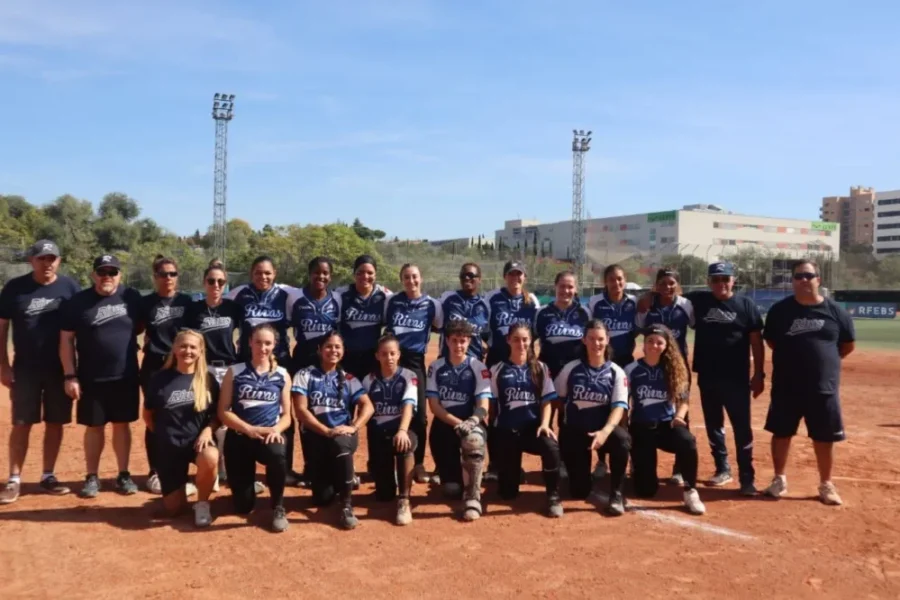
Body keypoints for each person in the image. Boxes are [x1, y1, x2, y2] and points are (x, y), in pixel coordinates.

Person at [762, 259, 855, 506]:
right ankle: (779, 479)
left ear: (818, 279)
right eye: (798, 276)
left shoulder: (836, 312)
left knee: (824, 437)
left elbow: (847, 345)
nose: (803, 280)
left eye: (808, 275)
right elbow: (771, 341)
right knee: (781, 433)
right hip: (786, 385)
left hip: (823, 387)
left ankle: (826, 484)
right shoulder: (780, 311)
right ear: (793, 281)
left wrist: (822, 363)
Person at [0, 240, 80, 504]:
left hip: (59, 369)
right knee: (22, 423)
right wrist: (3, 364)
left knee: (55, 422)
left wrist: (75, 372)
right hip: (25, 368)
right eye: (42, 258)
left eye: (52, 258)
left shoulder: (69, 287)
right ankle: (14, 479)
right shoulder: (15, 288)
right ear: (31, 260)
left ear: (58, 261)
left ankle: (48, 475)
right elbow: (2, 329)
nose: (47, 263)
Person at [59, 255, 143, 498]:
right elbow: (66, 339)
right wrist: (69, 375)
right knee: (94, 427)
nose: (107, 276)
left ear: (120, 274)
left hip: (125, 375)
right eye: (102, 271)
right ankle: (92, 476)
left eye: (112, 272)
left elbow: (140, 326)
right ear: (94, 274)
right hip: (91, 377)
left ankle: (123, 474)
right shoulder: (79, 301)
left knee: (122, 425)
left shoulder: (131, 297)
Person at [685, 262, 765, 495]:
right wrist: (650, 295)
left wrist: (759, 374)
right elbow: (671, 292)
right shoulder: (699, 300)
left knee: (742, 428)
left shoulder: (745, 305)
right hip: (708, 376)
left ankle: (747, 477)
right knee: (714, 425)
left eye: (725, 279)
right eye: (716, 279)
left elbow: (756, 342)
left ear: (733, 280)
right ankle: (722, 468)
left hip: (737, 378)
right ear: (709, 281)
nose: (721, 283)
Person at [226, 255, 301, 486]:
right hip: (246, 364)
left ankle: (283, 468)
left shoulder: (285, 294)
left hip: (279, 364)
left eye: (267, 272)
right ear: (251, 273)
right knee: (245, 408)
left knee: (283, 413)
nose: (263, 277)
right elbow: (218, 301)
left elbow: (313, 293)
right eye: (258, 272)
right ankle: (240, 467)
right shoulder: (239, 294)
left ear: (275, 273)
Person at [292, 331, 374, 530]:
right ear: (320, 350)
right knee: (322, 498)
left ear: (343, 352)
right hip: (316, 436)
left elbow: (368, 406)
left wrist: (353, 427)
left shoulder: (349, 378)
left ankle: (346, 505)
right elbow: (301, 410)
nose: (333, 351)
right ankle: (344, 476)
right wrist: (325, 431)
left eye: (338, 347)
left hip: (341, 435)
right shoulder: (305, 374)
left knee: (340, 444)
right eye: (328, 346)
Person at [217, 324, 291, 532]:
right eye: (258, 342)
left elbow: (287, 416)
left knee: (278, 454)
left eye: (267, 343)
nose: (262, 347)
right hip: (240, 437)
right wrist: (248, 429)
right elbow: (223, 411)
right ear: (249, 342)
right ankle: (248, 488)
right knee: (243, 506)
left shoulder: (282, 375)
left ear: (274, 345)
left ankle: (278, 506)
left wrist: (276, 430)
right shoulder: (235, 371)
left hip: (268, 436)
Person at [552, 320, 631, 515]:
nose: (597, 344)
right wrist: (565, 429)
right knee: (579, 492)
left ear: (608, 340)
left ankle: (616, 493)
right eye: (592, 339)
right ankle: (580, 472)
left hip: (604, 431)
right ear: (584, 340)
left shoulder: (616, 371)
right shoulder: (571, 369)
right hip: (577, 432)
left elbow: (619, 407)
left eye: (601, 339)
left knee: (622, 441)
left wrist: (604, 432)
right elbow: (559, 400)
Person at [625, 324, 706, 515]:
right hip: (641, 427)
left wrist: (679, 416)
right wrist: (625, 429)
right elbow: (623, 402)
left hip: (666, 425)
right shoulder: (632, 369)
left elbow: (683, 400)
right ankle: (637, 465)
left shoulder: (674, 369)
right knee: (646, 490)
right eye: (650, 341)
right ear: (643, 345)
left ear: (666, 345)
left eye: (659, 342)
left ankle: (690, 490)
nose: (654, 345)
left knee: (687, 441)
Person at [143, 329, 220, 527]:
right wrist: (164, 437)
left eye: (193, 347)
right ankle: (182, 488)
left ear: (201, 351)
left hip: (197, 444)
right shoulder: (160, 379)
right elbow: (148, 415)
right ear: (175, 349)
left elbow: (216, 415)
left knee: (210, 456)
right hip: (169, 447)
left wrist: (207, 430)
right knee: (174, 510)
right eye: (183, 346)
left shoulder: (208, 380)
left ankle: (202, 503)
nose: (188, 351)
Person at [489, 323, 563, 518]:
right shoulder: (498, 369)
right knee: (507, 494)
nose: (520, 344)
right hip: (508, 430)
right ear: (508, 341)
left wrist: (545, 424)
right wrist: (495, 434)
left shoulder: (540, 368)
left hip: (533, 430)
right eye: (516, 339)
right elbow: (492, 405)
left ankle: (553, 495)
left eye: (525, 339)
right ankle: (511, 471)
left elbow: (547, 400)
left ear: (531, 342)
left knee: (552, 447)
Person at [187, 259, 246, 490]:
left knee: (226, 419)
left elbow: (248, 331)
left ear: (226, 284)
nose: (216, 285)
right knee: (206, 416)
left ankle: (224, 469)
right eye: (211, 281)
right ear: (204, 283)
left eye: (220, 281)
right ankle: (210, 468)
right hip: (205, 369)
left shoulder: (233, 308)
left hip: (228, 368)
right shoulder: (195, 310)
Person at [425, 319, 491, 521]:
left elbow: (483, 406)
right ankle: (457, 475)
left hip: (470, 421)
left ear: (469, 342)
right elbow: (435, 407)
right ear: (447, 341)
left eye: (463, 341)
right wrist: (457, 423)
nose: (458, 346)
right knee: (452, 489)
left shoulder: (477, 367)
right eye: (454, 341)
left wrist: (471, 422)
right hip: (445, 426)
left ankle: (473, 496)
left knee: (474, 440)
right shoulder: (436, 367)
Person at [138, 255, 193, 495]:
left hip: (181, 366)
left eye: (172, 274)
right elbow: (135, 328)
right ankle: (155, 470)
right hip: (154, 365)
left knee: (184, 412)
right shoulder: (146, 302)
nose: (168, 278)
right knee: (155, 417)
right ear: (155, 277)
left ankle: (182, 468)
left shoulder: (187, 301)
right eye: (163, 274)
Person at [635, 268, 695, 485]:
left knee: (680, 414)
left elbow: (695, 325)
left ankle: (679, 470)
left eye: (671, 283)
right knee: (644, 407)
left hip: (677, 366)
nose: (667, 287)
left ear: (677, 284)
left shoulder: (686, 305)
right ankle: (639, 460)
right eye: (662, 283)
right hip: (652, 362)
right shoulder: (647, 305)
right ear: (656, 285)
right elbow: (640, 327)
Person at [383, 263, 442, 484]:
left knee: (419, 416)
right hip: (392, 360)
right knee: (389, 409)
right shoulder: (392, 301)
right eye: (407, 277)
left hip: (415, 361)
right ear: (402, 280)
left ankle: (417, 464)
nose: (411, 281)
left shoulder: (432, 305)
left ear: (421, 278)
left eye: (415, 277)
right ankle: (390, 462)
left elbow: (440, 327)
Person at [335, 255, 391, 485]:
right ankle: (346, 465)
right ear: (354, 274)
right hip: (347, 362)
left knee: (374, 413)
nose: (365, 277)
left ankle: (376, 464)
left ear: (375, 274)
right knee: (345, 410)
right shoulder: (341, 295)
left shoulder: (384, 297)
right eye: (360, 272)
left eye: (369, 272)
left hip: (371, 363)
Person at [287, 256, 341, 486]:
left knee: (329, 410)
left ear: (330, 276)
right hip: (302, 361)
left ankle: (336, 464)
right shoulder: (295, 298)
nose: (321, 277)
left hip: (328, 362)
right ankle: (310, 467)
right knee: (305, 416)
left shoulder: (337, 299)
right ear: (309, 274)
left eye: (325, 273)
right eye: (316, 272)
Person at [587, 264, 638, 480]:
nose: (616, 283)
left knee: (624, 412)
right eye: (611, 279)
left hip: (626, 363)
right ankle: (601, 461)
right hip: (602, 364)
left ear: (625, 280)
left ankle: (627, 459)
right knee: (601, 410)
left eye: (619, 279)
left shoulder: (634, 303)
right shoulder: (595, 303)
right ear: (605, 282)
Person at [362, 334, 419, 525]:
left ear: (399, 354)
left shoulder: (409, 377)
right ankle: (389, 479)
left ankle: (404, 499)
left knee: (404, 444)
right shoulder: (368, 380)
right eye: (385, 354)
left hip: (401, 431)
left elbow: (408, 406)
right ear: (377, 356)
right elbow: (363, 409)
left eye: (393, 353)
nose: (389, 358)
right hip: (379, 434)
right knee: (384, 494)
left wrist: (402, 430)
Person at [534, 270, 591, 380]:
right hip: (549, 373)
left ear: (576, 289)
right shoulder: (542, 312)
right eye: (562, 286)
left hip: (577, 373)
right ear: (555, 286)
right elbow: (530, 341)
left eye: (570, 287)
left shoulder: (585, 313)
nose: (566, 290)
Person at [438, 262, 490, 362]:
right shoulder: (447, 299)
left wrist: (485, 348)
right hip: (447, 361)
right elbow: (434, 323)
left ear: (479, 279)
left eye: (470, 275)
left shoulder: (485, 305)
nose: (466, 278)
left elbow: (488, 335)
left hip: (474, 363)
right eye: (463, 276)